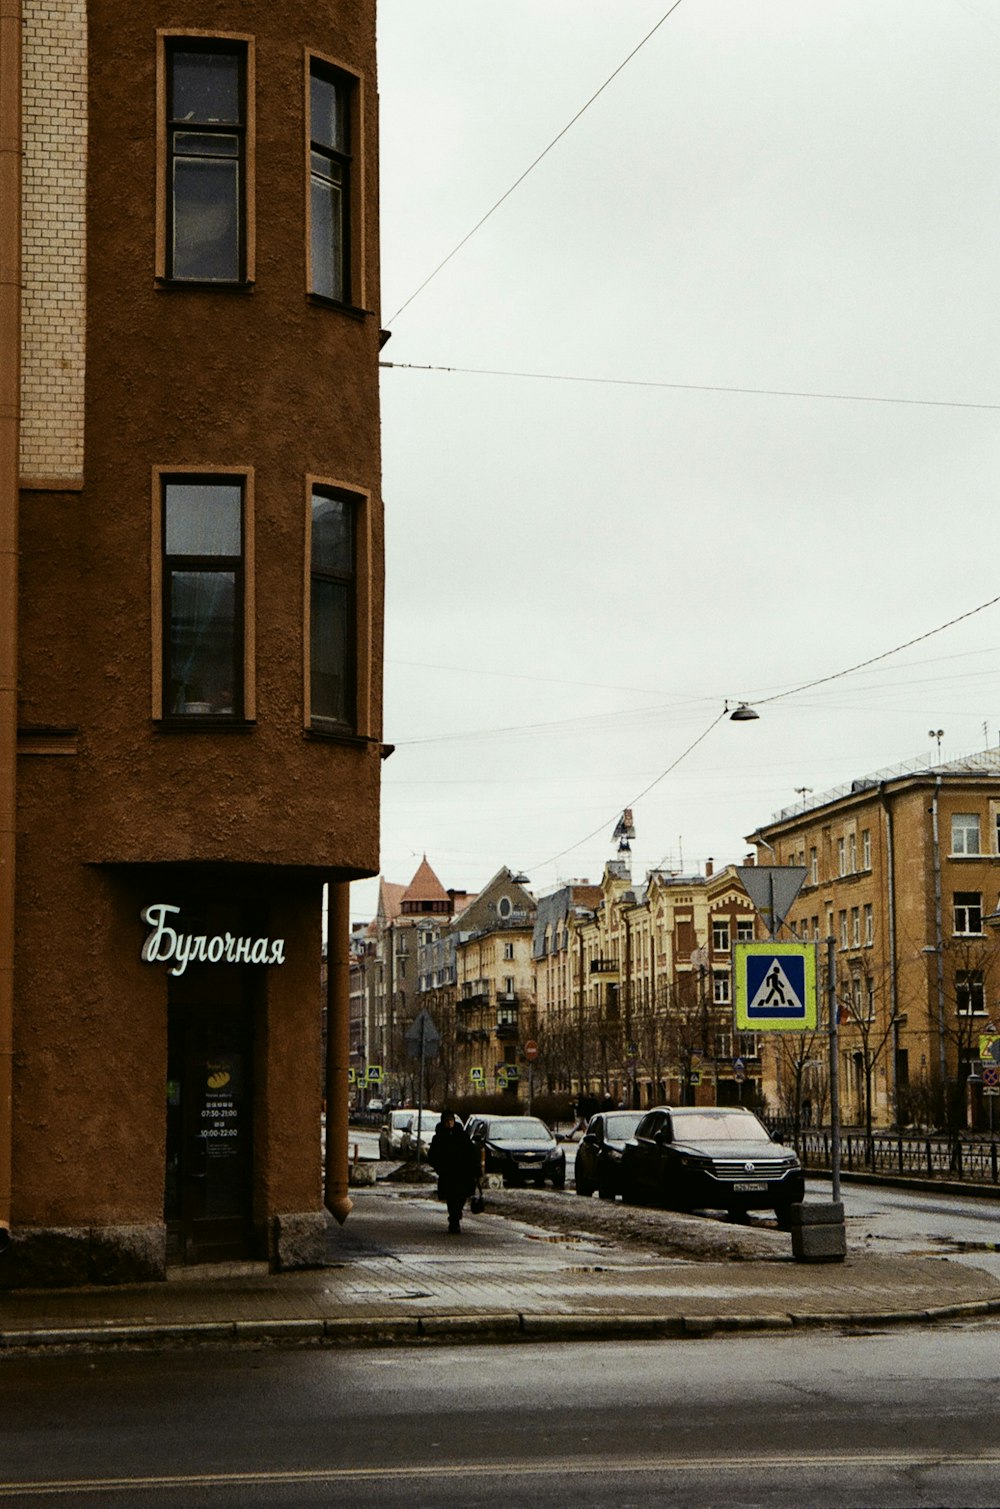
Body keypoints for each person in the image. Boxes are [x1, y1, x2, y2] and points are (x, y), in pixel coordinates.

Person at [428, 1110, 480, 1234]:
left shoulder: (462, 1135)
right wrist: (439, 1168)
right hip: (448, 1173)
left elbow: (471, 1152)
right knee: (451, 1197)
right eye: (447, 1121)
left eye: (451, 1120)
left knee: (462, 1196)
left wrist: (476, 1169)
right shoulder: (439, 1137)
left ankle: (456, 1214)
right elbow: (433, 1155)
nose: (449, 1123)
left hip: (463, 1173)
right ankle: (454, 1219)